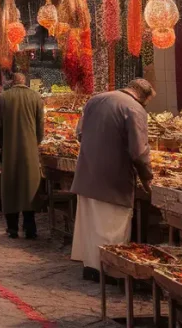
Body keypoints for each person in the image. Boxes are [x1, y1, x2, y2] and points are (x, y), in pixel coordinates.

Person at [71, 79, 155, 280]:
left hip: (87, 173)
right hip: (113, 179)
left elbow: (80, 133)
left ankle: (91, 267)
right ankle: (109, 271)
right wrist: (147, 177)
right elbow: (139, 151)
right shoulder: (134, 108)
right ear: (143, 96)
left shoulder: (95, 100)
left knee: (91, 223)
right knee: (111, 226)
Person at [0, 72, 45, 239]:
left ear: (12, 82)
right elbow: (40, 126)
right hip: (30, 149)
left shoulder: (3, 98)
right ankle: (30, 228)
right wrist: (34, 142)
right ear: (25, 82)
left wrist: (2, 144)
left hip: (10, 148)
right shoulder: (36, 97)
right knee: (29, 187)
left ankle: (12, 228)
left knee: (11, 187)